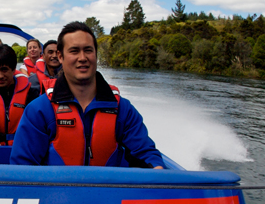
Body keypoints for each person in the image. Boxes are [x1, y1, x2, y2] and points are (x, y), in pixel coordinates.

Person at [10, 22, 164, 168]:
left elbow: (146, 154)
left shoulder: (122, 110)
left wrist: (157, 169)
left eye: (88, 50)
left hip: (109, 195)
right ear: (60, 56)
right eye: (74, 51)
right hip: (55, 195)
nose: (82, 58)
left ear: (96, 54)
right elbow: (23, 167)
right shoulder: (39, 110)